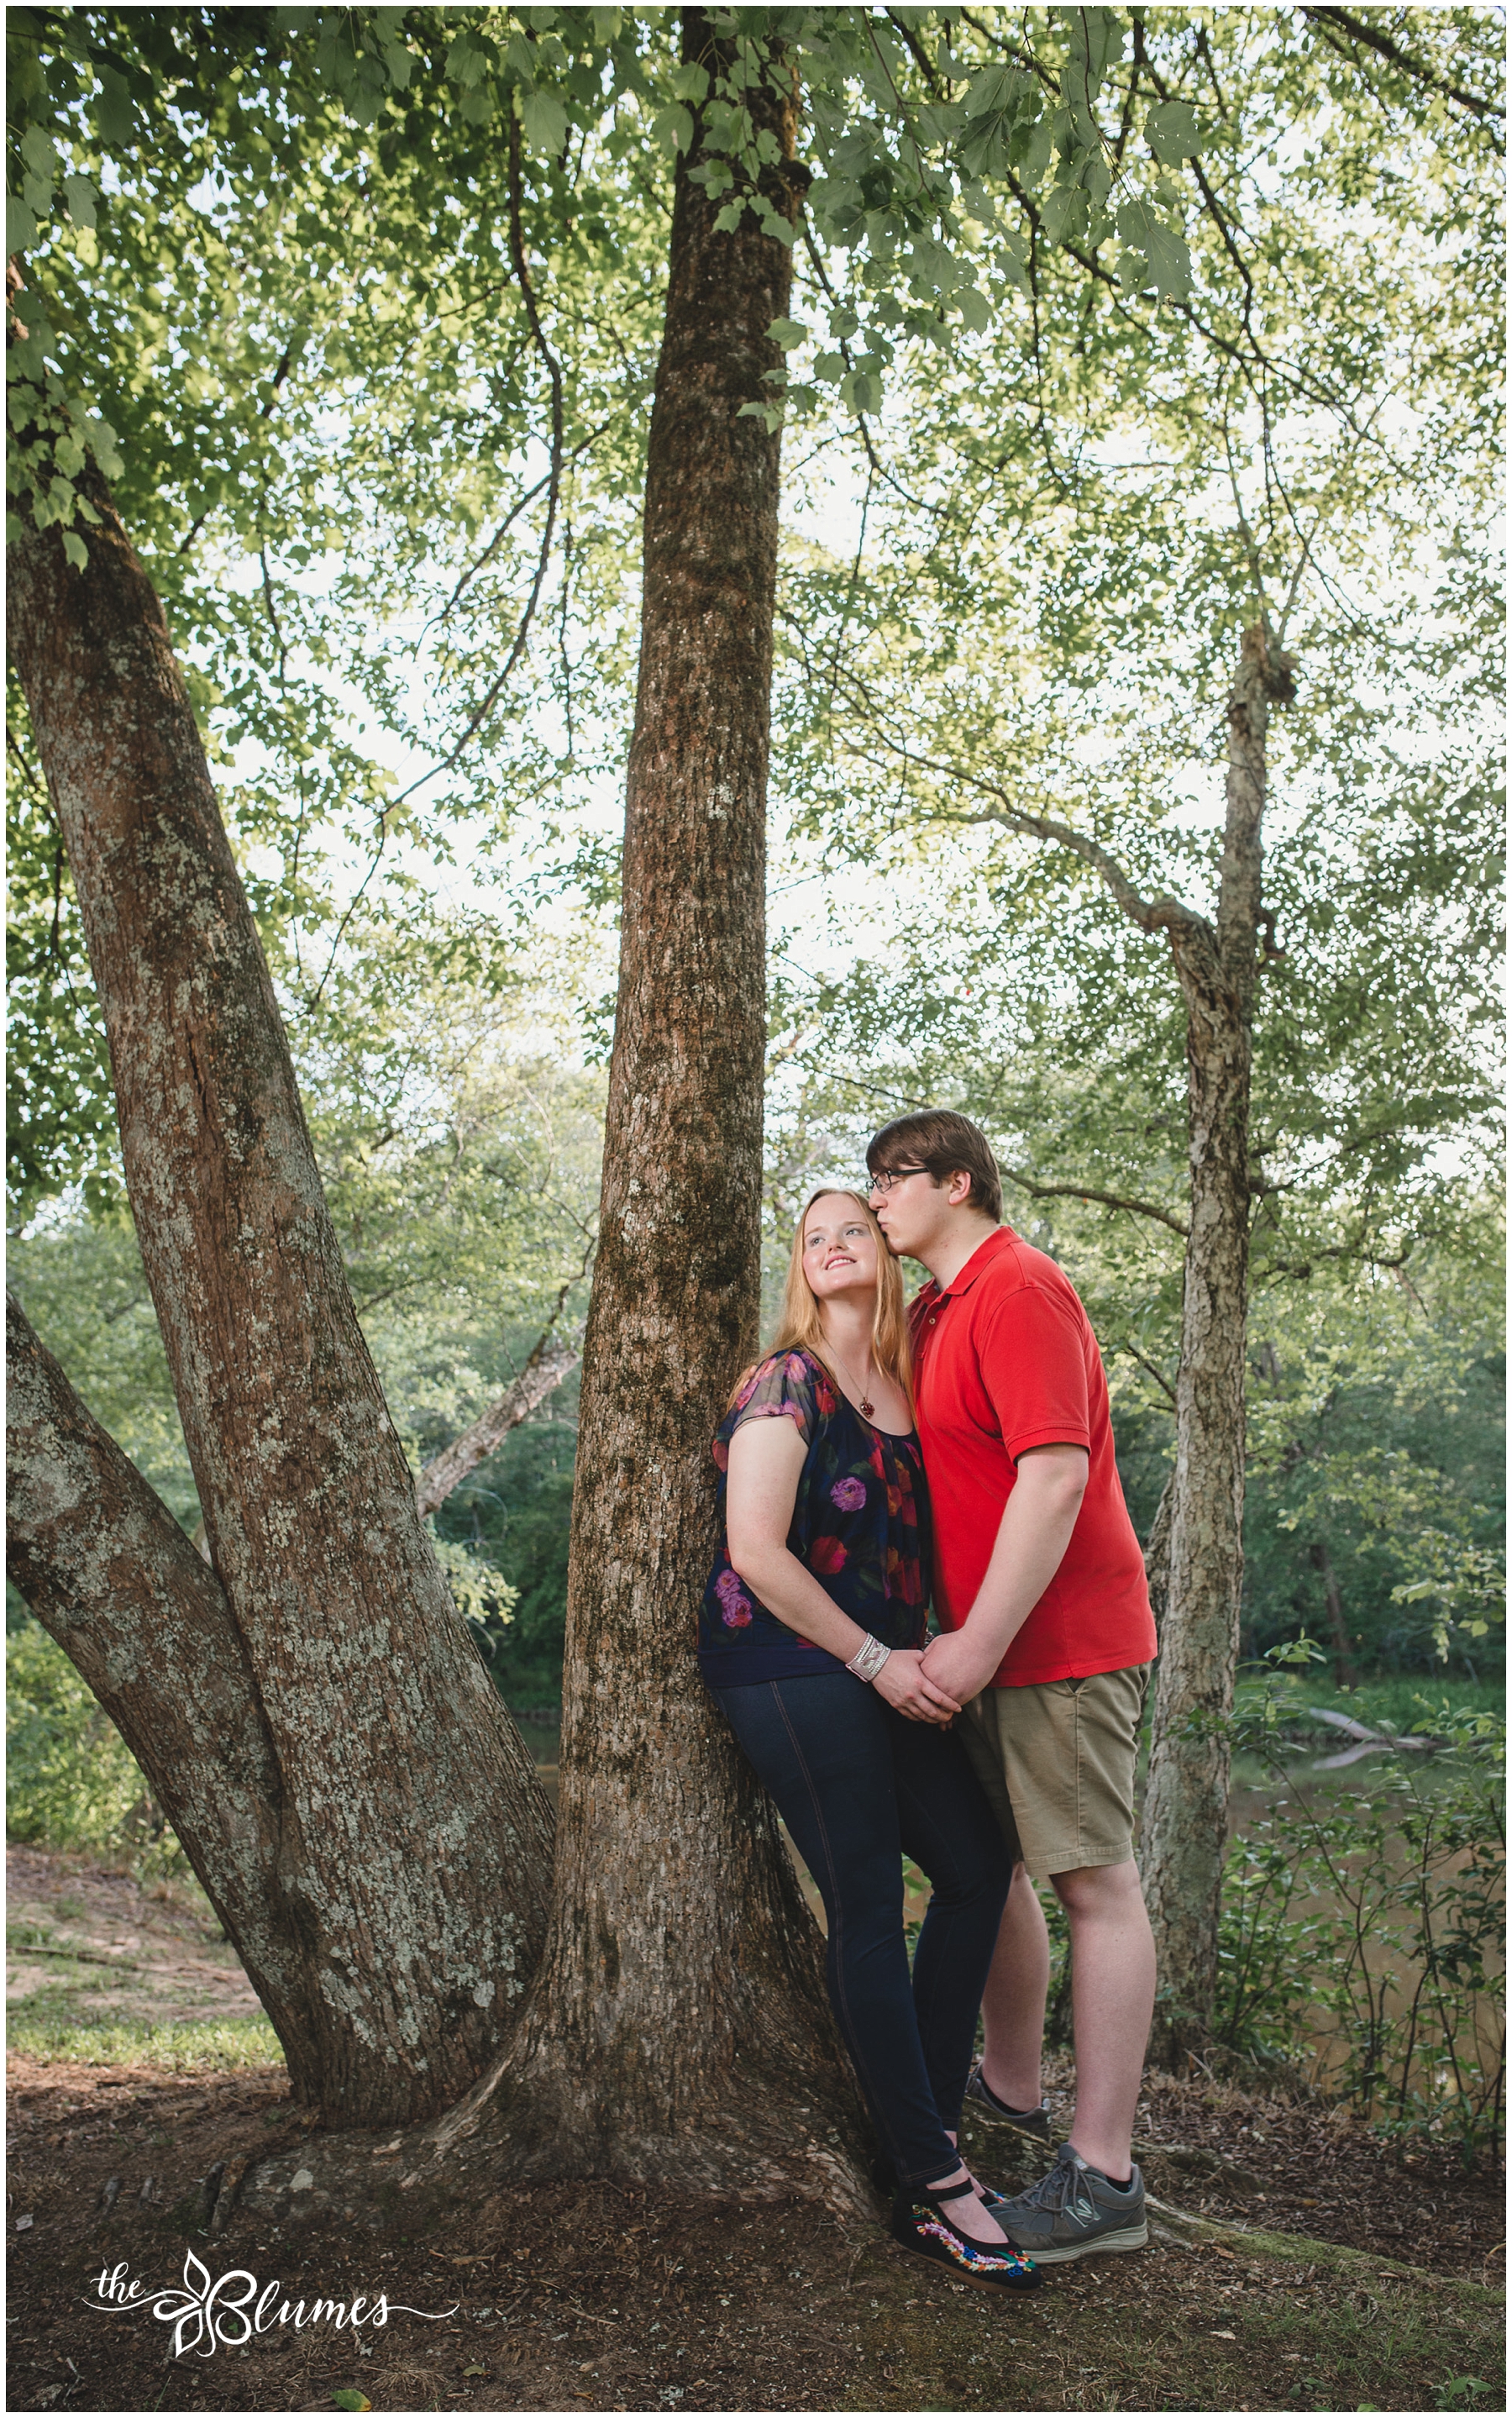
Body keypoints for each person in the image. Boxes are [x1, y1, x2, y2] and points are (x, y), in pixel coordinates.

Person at [699, 1187, 1037, 2292]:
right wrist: (878, 1661)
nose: (836, 1242)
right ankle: (931, 2182)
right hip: (791, 1663)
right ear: (799, 1267)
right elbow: (756, 1550)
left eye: (855, 1226)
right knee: (866, 1906)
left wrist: (935, 1650)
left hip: (886, 1666)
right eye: (813, 1235)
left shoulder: (910, 1388)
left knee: (981, 1866)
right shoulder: (785, 1379)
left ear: (886, 1255)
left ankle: (928, 2123)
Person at [867, 1111, 1158, 2265]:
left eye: (892, 1177)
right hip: (985, 1645)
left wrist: (976, 1642)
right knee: (995, 1871)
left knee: (1097, 1884)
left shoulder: (1020, 1286)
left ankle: (1104, 2176)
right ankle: (1014, 2092)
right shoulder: (937, 1310)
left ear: (958, 1180)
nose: (877, 1197)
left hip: (1062, 1645)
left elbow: (1053, 1478)